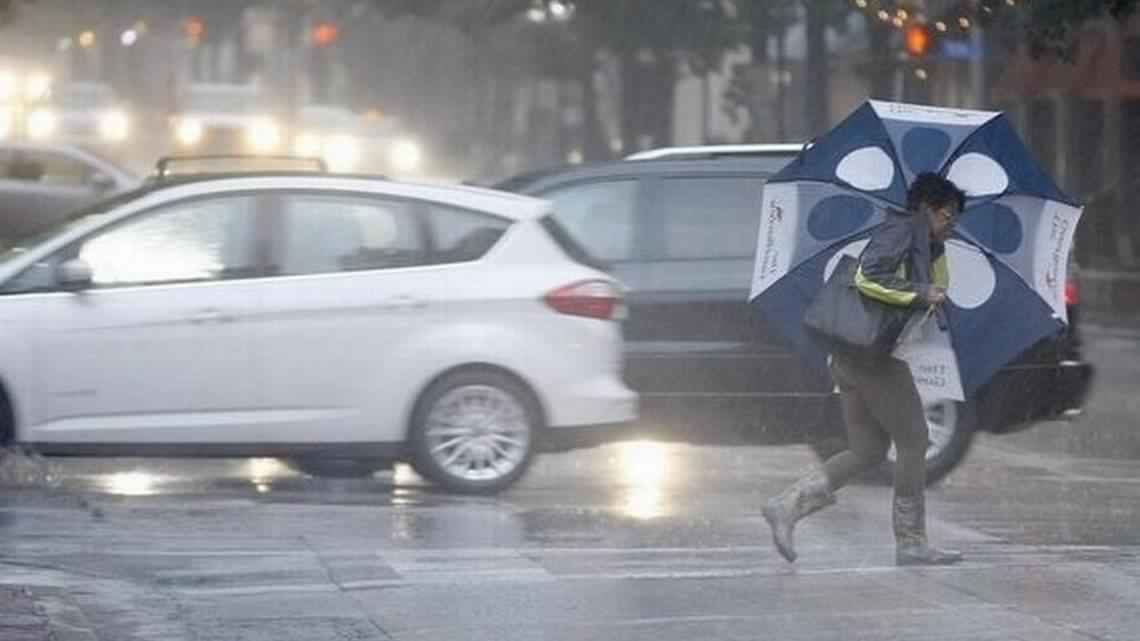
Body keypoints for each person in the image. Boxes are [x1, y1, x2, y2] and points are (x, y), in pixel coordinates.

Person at [762, 172, 967, 566]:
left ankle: (787, 505)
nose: (952, 225)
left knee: (868, 449)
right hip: (873, 357)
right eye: (947, 215)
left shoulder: (923, 246)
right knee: (914, 441)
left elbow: (924, 293)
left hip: (850, 357)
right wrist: (921, 291)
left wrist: (931, 279)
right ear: (926, 208)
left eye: (955, 218)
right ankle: (911, 541)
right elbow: (868, 275)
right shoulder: (903, 231)